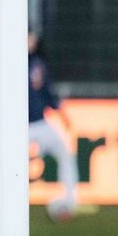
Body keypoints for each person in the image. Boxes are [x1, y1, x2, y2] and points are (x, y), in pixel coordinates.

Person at [28, 32, 79, 221]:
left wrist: (62, 114)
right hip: (18, 128)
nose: (32, 41)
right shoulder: (10, 61)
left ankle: (70, 201)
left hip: (40, 124)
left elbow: (48, 93)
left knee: (65, 153)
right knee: (11, 166)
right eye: (29, 37)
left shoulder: (38, 63)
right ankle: (3, 202)